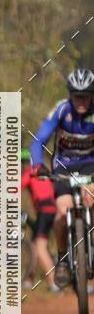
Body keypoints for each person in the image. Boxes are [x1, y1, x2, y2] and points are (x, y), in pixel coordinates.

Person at [30, 68, 94, 289]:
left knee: (92, 199)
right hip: (63, 168)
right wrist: (38, 165)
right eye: (77, 96)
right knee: (61, 209)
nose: (82, 101)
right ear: (70, 95)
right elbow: (38, 141)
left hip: (90, 167)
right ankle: (63, 259)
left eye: (86, 95)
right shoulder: (60, 110)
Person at [20, 148, 57, 291]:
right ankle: (29, 279)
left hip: (44, 211)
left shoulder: (31, 173)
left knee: (40, 247)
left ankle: (54, 282)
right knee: (35, 244)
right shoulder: (41, 170)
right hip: (52, 210)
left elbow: (14, 188)